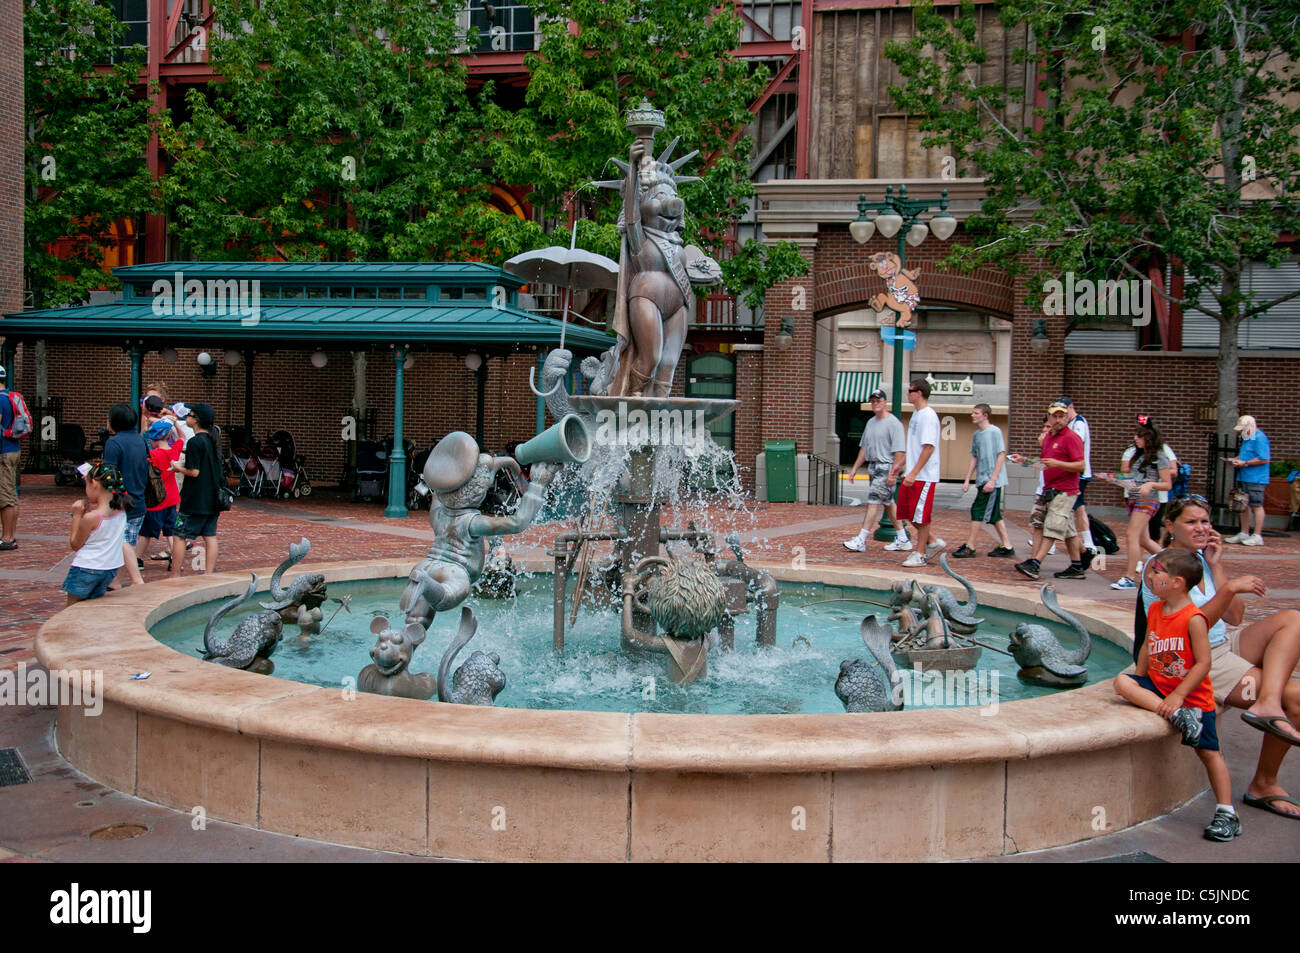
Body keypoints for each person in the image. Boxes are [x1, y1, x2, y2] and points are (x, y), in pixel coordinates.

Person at [1136, 496, 1300, 819]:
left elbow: (1235, 617)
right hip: (1191, 655)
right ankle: (1264, 783)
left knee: (1293, 619)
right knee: (1296, 698)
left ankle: (1267, 701)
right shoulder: (1160, 568)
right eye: (1191, 522)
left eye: (1205, 521)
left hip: (1222, 642)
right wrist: (1228, 591)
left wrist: (1217, 566)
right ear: (1169, 526)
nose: (1201, 528)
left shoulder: (1200, 561)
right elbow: (1185, 630)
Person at [1115, 548, 1243, 841]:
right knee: (1122, 683)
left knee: (1209, 753)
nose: (1150, 576)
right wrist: (1140, 676)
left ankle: (1227, 812)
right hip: (1162, 688)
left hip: (1193, 698)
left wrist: (1180, 696)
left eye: (1157, 572)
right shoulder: (1156, 609)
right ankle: (1177, 715)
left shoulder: (1194, 618)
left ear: (1177, 583)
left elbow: (1203, 663)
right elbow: (1149, 643)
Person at [1009, 401, 1091, 580]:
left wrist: (1059, 464)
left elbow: (1081, 465)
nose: (1059, 419)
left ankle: (1035, 563)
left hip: (1065, 491)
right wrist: (1024, 460)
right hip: (1049, 489)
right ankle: (1077, 565)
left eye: (1062, 416)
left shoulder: (1071, 437)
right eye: (1055, 416)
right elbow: (1045, 464)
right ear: (1049, 417)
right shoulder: (1048, 438)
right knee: (1068, 530)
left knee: (1052, 527)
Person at [843, 388, 909, 553]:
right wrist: (855, 468)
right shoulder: (870, 423)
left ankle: (861, 539)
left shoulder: (894, 423)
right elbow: (864, 448)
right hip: (873, 466)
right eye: (873, 401)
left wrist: (894, 473)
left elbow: (900, 452)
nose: (875, 404)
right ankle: (902, 538)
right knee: (887, 503)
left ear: (885, 402)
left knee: (873, 501)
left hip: (886, 466)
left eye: (878, 401)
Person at [1109, 420, 1173, 590]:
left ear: (1149, 438)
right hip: (1134, 497)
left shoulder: (1159, 457)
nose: (1135, 438)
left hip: (1148, 499)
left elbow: (1167, 484)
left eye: (1140, 436)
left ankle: (1130, 577)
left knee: (1132, 535)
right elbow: (1131, 477)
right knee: (1144, 539)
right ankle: (1173, 563)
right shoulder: (1137, 456)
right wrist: (1114, 478)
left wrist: (1151, 484)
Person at [62, 463, 129, 605]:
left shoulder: (92, 517)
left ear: (94, 484)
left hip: (87, 567)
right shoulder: (121, 510)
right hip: (109, 569)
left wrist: (76, 516)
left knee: (72, 609)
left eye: (86, 484)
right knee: (92, 606)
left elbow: (75, 544)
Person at [953, 402, 1014, 558]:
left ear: (985, 415)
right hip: (982, 480)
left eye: (976, 413)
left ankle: (970, 546)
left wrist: (992, 480)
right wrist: (967, 479)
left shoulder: (995, 432)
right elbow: (975, 457)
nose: (972, 415)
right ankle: (1007, 546)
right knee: (994, 516)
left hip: (992, 482)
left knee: (977, 511)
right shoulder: (976, 435)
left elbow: (1001, 455)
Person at [170, 403, 222, 576]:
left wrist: (178, 468)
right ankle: (208, 574)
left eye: (190, 415)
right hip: (213, 498)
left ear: (197, 419)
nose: (187, 417)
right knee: (210, 536)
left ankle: (175, 574)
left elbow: (194, 472)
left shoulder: (194, 442)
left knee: (179, 535)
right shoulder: (213, 441)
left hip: (194, 499)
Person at [897, 379, 944, 569]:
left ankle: (921, 554)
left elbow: (928, 447)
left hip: (924, 476)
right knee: (907, 513)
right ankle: (932, 542)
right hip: (914, 473)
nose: (907, 394)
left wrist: (914, 473)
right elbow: (915, 447)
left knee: (920, 516)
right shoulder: (917, 414)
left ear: (919, 393)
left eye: (910, 391)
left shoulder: (928, 416)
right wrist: (900, 465)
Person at [101, 402, 148, 588]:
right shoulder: (139, 439)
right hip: (139, 499)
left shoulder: (114, 442)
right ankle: (115, 581)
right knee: (129, 541)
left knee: (120, 543)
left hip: (121, 500)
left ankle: (135, 581)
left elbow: (109, 473)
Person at [139, 419, 183, 567]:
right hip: (171, 498)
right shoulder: (174, 451)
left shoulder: (153, 455)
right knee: (170, 532)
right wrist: (176, 424)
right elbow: (182, 438)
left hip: (156, 499)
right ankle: (175, 559)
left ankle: (137, 558)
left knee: (146, 533)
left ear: (154, 438)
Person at [1059, 397, 1097, 556]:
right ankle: (1088, 542)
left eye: (1064, 411)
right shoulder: (1070, 424)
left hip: (1078, 473)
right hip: (1073, 471)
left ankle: (1087, 544)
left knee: (1069, 507)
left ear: (1071, 408)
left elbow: (1075, 443)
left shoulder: (1079, 423)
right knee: (1076, 507)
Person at [1226, 415, 1270, 546]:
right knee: (1242, 505)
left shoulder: (1260, 438)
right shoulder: (1247, 438)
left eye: (1243, 428)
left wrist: (1244, 463)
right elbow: (1245, 455)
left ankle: (1257, 535)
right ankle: (1244, 532)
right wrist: (1235, 460)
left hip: (1256, 478)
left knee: (1256, 505)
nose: (1241, 432)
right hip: (1244, 475)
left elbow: (1264, 458)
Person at [0, 364, 18, 551]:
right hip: (13, 449)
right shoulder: (10, 397)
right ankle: (10, 534)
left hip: (3, 452)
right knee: (11, 494)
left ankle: (7, 537)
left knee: (5, 496)